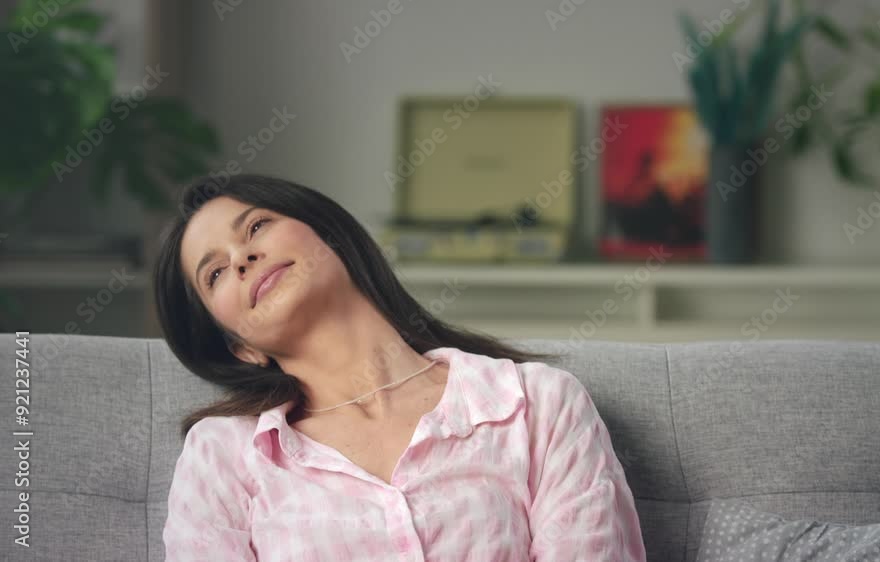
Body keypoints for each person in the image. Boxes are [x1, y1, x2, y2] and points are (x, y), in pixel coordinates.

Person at [156, 174, 647, 561]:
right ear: (239, 348)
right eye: (215, 273)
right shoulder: (221, 455)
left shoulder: (539, 404)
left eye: (256, 227)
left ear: (330, 236)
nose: (242, 257)